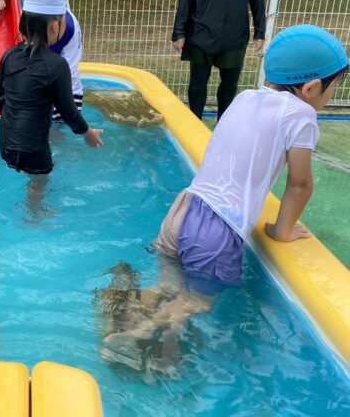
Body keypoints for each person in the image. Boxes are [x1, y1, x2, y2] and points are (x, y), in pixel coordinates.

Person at [99, 24, 349, 370]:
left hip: (183, 209)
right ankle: (132, 337)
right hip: (217, 230)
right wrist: (281, 230)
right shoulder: (302, 115)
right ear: (311, 88)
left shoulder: (245, 98)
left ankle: (129, 324)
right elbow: (300, 184)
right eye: (335, 87)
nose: (333, 95)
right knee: (195, 303)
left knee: (168, 288)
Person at [0, 0, 103, 185]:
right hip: (35, 151)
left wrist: (13, 119)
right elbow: (69, 112)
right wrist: (88, 134)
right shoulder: (57, 65)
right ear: (54, 26)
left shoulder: (9, 56)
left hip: (6, 144)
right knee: (39, 184)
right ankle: (34, 206)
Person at [30, 0, 83, 118]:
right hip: (50, 88)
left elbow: (69, 69)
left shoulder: (67, 24)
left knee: (54, 130)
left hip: (65, 92)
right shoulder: (45, 16)